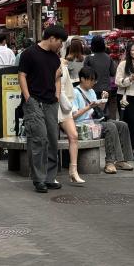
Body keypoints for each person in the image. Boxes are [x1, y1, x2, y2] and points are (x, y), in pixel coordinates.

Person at [19, 26, 68, 193]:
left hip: (50, 103)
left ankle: (49, 177)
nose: (61, 46)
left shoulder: (55, 58)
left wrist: (57, 95)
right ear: (52, 38)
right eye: (60, 42)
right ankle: (39, 179)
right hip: (34, 102)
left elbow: (57, 77)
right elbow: (22, 75)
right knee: (39, 139)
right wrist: (28, 98)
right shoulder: (29, 53)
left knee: (53, 140)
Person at [73, 67, 134, 174]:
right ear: (82, 79)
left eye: (94, 80)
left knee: (122, 125)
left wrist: (103, 101)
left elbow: (98, 111)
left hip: (94, 122)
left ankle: (122, 160)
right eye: (91, 80)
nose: (94, 83)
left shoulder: (91, 91)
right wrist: (89, 107)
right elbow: (74, 115)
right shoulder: (75, 92)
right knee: (110, 126)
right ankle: (110, 162)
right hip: (82, 126)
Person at [58, 55, 84, 184]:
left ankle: (73, 170)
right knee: (49, 138)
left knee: (73, 135)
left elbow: (67, 86)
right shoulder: (46, 62)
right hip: (50, 103)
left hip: (64, 104)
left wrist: (70, 103)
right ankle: (49, 173)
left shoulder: (62, 63)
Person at [84, 36, 118, 119]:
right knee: (104, 111)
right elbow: (113, 73)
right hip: (105, 88)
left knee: (92, 112)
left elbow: (84, 72)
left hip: (91, 89)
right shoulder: (108, 57)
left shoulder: (89, 58)